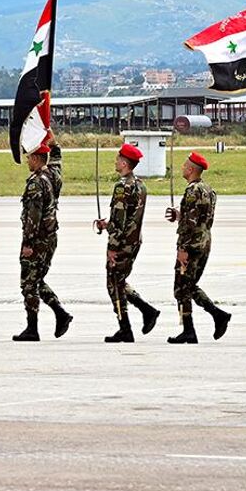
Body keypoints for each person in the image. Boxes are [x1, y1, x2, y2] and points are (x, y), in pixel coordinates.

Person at [94, 142, 161, 342]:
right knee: (120, 281)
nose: (116, 162)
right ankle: (146, 310)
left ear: (124, 163)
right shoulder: (140, 185)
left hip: (122, 243)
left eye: (118, 159)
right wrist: (108, 224)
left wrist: (112, 245)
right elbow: (129, 217)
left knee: (113, 283)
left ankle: (126, 327)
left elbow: (120, 220)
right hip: (133, 240)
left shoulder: (122, 187)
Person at [165, 151, 230, 343]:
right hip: (204, 242)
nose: (182, 168)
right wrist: (180, 214)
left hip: (191, 244)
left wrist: (182, 247)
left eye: (185, 165)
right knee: (189, 286)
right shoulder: (207, 189)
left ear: (192, 169)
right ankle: (217, 315)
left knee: (181, 288)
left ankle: (190, 329)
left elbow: (190, 224)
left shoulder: (193, 191)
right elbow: (200, 217)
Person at [14, 142, 72, 341]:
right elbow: (56, 156)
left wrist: (28, 244)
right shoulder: (53, 176)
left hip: (37, 240)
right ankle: (60, 313)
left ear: (37, 159)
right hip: (49, 238)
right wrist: (50, 138)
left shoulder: (36, 183)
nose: (27, 161)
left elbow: (33, 216)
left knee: (28, 283)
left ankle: (32, 328)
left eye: (29, 157)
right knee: (36, 279)